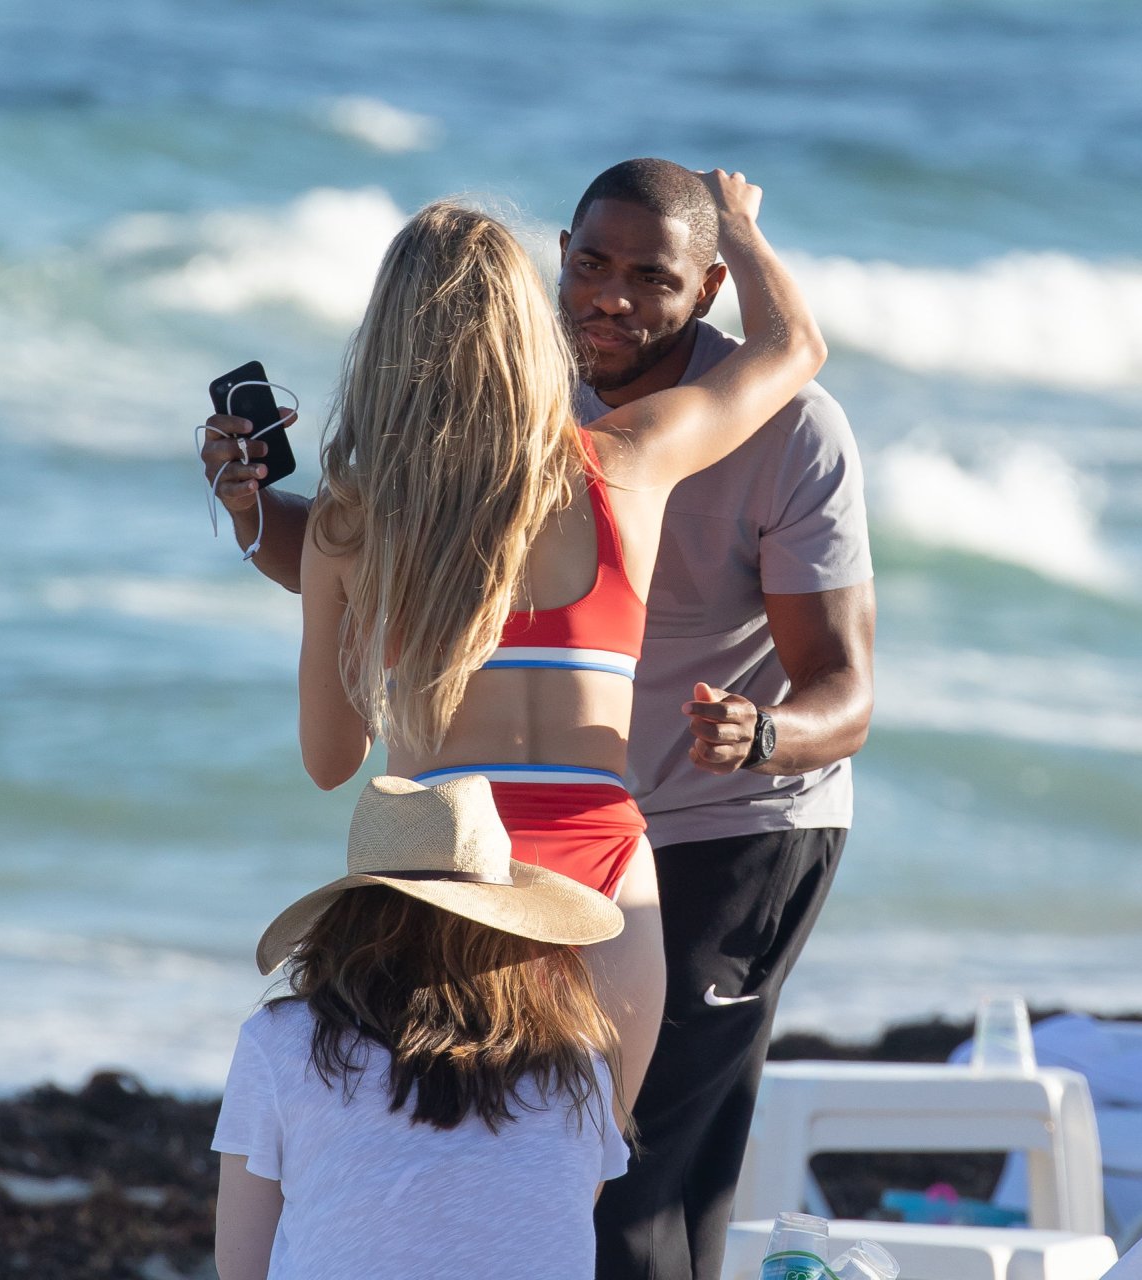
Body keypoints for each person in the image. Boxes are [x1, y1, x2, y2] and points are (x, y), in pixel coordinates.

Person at [201, 159, 873, 1280]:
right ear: (532, 326)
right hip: (606, 875)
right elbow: (791, 347)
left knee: (441, 1189)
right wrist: (740, 234)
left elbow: (331, 758)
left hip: (444, 876)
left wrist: (301, 550)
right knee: (579, 1204)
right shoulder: (627, 462)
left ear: (388, 347)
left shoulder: (354, 521)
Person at [212, 772, 630, 1280]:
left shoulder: (283, 1040)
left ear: (348, 921)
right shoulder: (576, 1057)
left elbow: (242, 1263)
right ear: (513, 929)